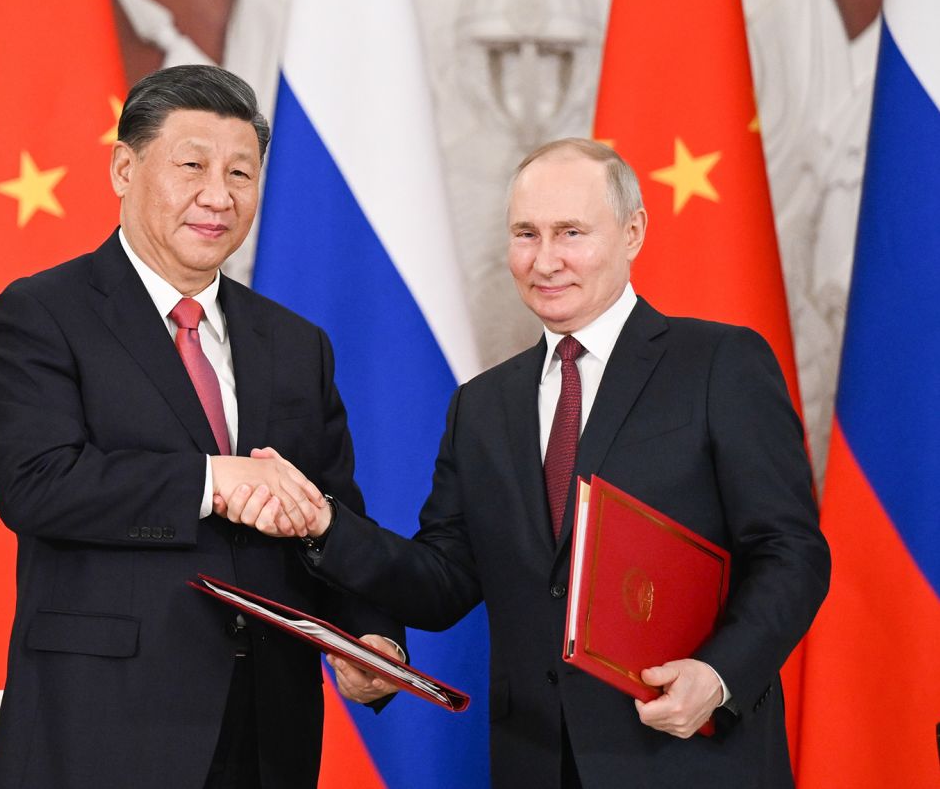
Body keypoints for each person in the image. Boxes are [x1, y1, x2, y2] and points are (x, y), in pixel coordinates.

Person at [227, 139, 831, 787]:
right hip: (535, 762)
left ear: (633, 232)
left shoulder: (720, 363)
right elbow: (441, 580)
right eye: (526, 233)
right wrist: (324, 522)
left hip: (693, 757)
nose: (545, 260)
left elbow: (792, 551)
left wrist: (717, 676)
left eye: (571, 232)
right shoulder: (482, 405)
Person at [0, 64, 403, 789]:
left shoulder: (296, 342)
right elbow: (35, 483)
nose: (218, 195)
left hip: (268, 729)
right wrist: (213, 479)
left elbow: (331, 513)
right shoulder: (43, 313)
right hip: (101, 728)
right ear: (124, 168)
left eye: (242, 172)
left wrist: (369, 632)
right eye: (193, 165)